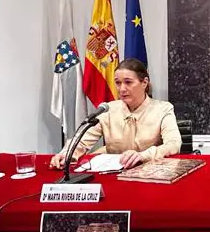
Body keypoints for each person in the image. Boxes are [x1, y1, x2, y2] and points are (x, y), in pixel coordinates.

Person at [49, 58, 182, 169]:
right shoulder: (108, 110)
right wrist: (66, 153)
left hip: (150, 171)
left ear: (144, 83)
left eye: (128, 82)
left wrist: (143, 155)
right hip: (113, 172)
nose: (122, 89)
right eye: (118, 83)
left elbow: (173, 143)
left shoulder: (163, 109)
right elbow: (82, 142)